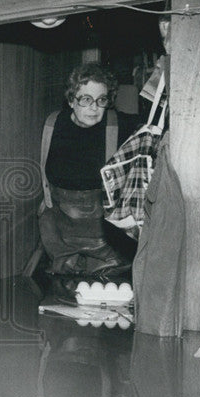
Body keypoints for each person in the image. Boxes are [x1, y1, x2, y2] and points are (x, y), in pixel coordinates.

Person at [39, 63, 139, 279]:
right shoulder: (53, 124)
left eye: (101, 100)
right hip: (61, 244)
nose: (94, 108)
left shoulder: (119, 125)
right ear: (71, 100)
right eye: (86, 99)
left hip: (107, 248)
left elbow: (156, 126)